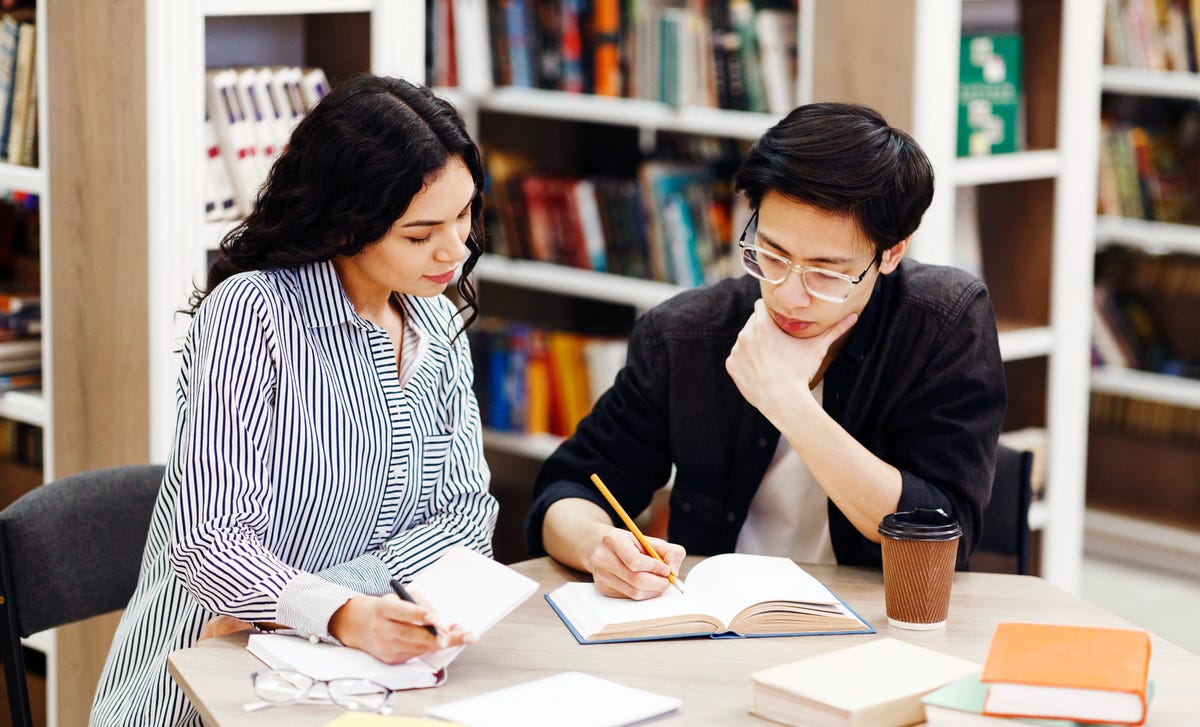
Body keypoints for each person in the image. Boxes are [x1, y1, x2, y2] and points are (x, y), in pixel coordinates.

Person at [91, 75, 498, 725]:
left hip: (358, 683)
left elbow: (466, 523)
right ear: (347, 224)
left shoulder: (438, 328)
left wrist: (330, 607)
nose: (456, 249)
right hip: (204, 686)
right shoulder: (251, 316)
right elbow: (210, 544)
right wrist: (344, 612)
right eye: (421, 234)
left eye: (464, 214)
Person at [526, 102, 1006, 600]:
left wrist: (787, 402)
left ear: (891, 253)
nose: (789, 293)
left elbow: (942, 533)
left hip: (882, 624)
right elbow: (568, 490)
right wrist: (599, 547)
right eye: (772, 254)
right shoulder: (686, 334)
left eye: (827, 272)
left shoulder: (943, 323)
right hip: (718, 624)